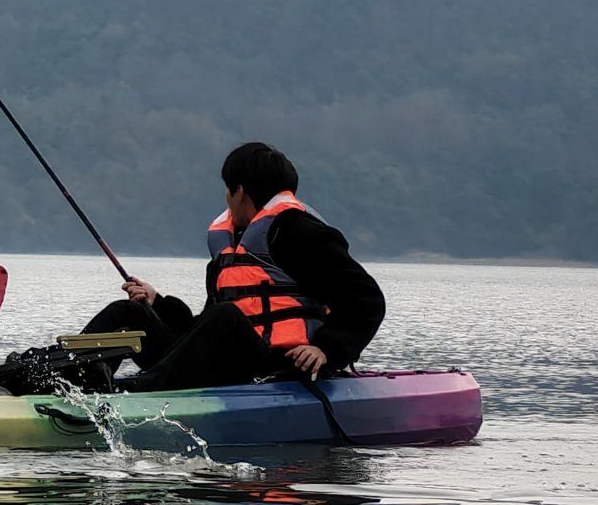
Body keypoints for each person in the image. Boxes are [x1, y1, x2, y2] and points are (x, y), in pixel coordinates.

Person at [82, 141, 385, 389]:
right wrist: (157, 304)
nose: (226, 199)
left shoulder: (297, 233)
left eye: (228, 190)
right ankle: (68, 378)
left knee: (226, 314)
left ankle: (139, 390)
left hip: (277, 365)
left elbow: (367, 299)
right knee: (129, 312)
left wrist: (326, 349)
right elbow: (203, 329)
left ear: (239, 191)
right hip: (222, 361)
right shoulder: (232, 245)